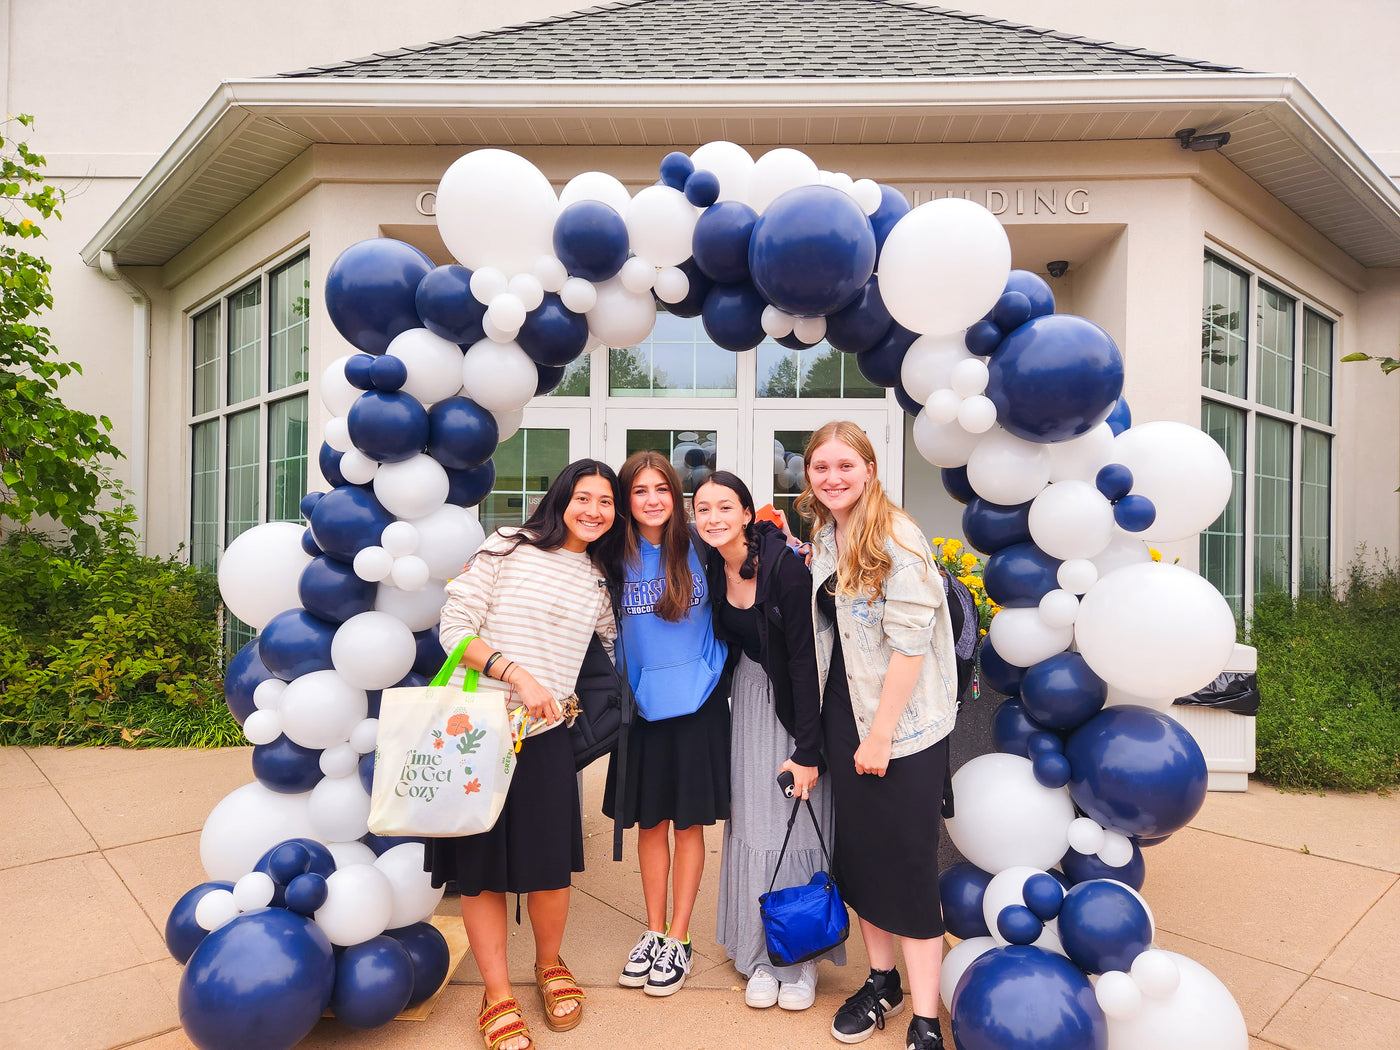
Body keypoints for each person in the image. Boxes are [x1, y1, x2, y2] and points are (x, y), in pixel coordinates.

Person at [428, 459, 624, 1050]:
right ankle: (497, 992)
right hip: (476, 733)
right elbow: (454, 628)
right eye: (583, 497)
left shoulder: (598, 577)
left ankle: (548, 963)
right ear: (561, 499)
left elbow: (614, 646)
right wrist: (519, 676)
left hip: (546, 740)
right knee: (482, 871)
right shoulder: (506, 547)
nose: (593, 510)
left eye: (606, 502)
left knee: (548, 867)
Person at [796, 421, 959, 1050]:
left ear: (869, 468)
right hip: (847, 713)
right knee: (861, 857)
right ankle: (881, 981)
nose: (833, 478)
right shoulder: (827, 532)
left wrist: (881, 736)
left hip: (901, 727)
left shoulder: (897, 537)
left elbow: (910, 649)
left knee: (908, 865)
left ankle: (924, 1018)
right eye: (820, 468)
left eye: (845, 466)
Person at [694, 471, 844, 1012]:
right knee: (755, 825)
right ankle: (758, 954)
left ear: (747, 512)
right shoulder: (711, 562)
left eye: (724, 507)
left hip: (799, 706)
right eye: (703, 508)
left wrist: (808, 752)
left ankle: (799, 960)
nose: (713, 518)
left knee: (798, 825)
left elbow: (805, 663)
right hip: (749, 706)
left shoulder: (784, 567)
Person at [603, 450, 732, 998]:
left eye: (662, 489)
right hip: (640, 708)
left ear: (675, 495)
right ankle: (652, 930)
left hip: (698, 705)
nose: (652, 500)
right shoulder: (611, 555)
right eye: (639, 490)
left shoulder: (702, 546)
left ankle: (678, 938)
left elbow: (762, 561)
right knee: (650, 824)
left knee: (688, 825)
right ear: (626, 500)